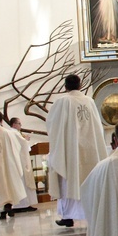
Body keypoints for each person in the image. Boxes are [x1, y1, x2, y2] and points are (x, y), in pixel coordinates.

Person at [46, 74, 107, 227]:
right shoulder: (90, 101)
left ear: (65, 87)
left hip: (70, 151)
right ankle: (92, 215)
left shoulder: (62, 101)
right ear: (80, 86)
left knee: (69, 181)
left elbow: (53, 126)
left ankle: (68, 217)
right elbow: (98, 127)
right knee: (89, 181)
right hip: (90, 149)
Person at [6, 117, 38, 212]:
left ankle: (20, 204)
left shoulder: (9, 133)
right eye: (19, 124)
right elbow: (24, 146)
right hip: (20, 162)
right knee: (23, 182)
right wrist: (27, 140)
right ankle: (23, 205)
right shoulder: (15, 133)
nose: (21, 126)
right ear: (14, 124)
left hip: (14, 163)